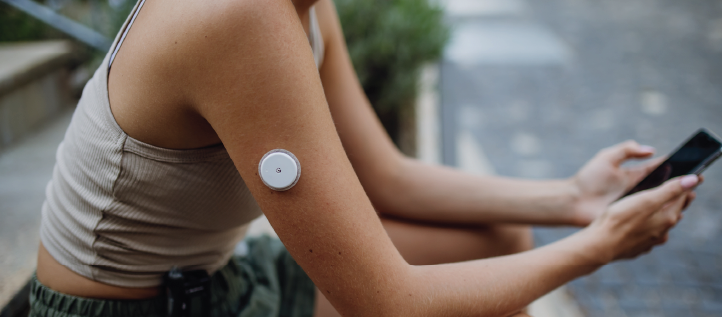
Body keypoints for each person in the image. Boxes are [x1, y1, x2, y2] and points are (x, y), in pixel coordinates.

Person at [32, 0, 701, 316]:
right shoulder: (241, 18)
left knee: (494, 240)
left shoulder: (304, 8)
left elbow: (386, 177)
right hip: (138, 311)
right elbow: (386, 302)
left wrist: (571, 199)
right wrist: (599, 246)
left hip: (216, 281)